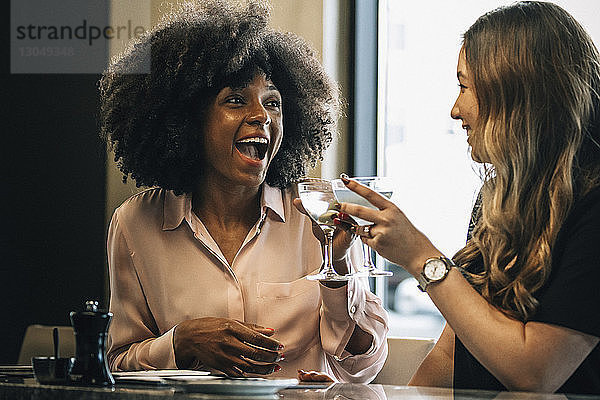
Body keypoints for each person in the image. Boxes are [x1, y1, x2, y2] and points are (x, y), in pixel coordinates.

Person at [99, 0, 388, 382]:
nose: (262, 116)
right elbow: (114, 363)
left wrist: (335, 268)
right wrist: (179, 344)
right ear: (188, 120)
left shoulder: (317, 220)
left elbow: (362, 366)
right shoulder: (135, 223)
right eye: (236, 100)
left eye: (273, 102)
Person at [338, 1, 600, 394]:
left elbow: (535, 375)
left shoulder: (593, 209)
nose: (455, 110)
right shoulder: (498, 196)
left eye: (464, 87)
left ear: (516, 96)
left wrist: (421, 257)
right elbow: (451, 355)